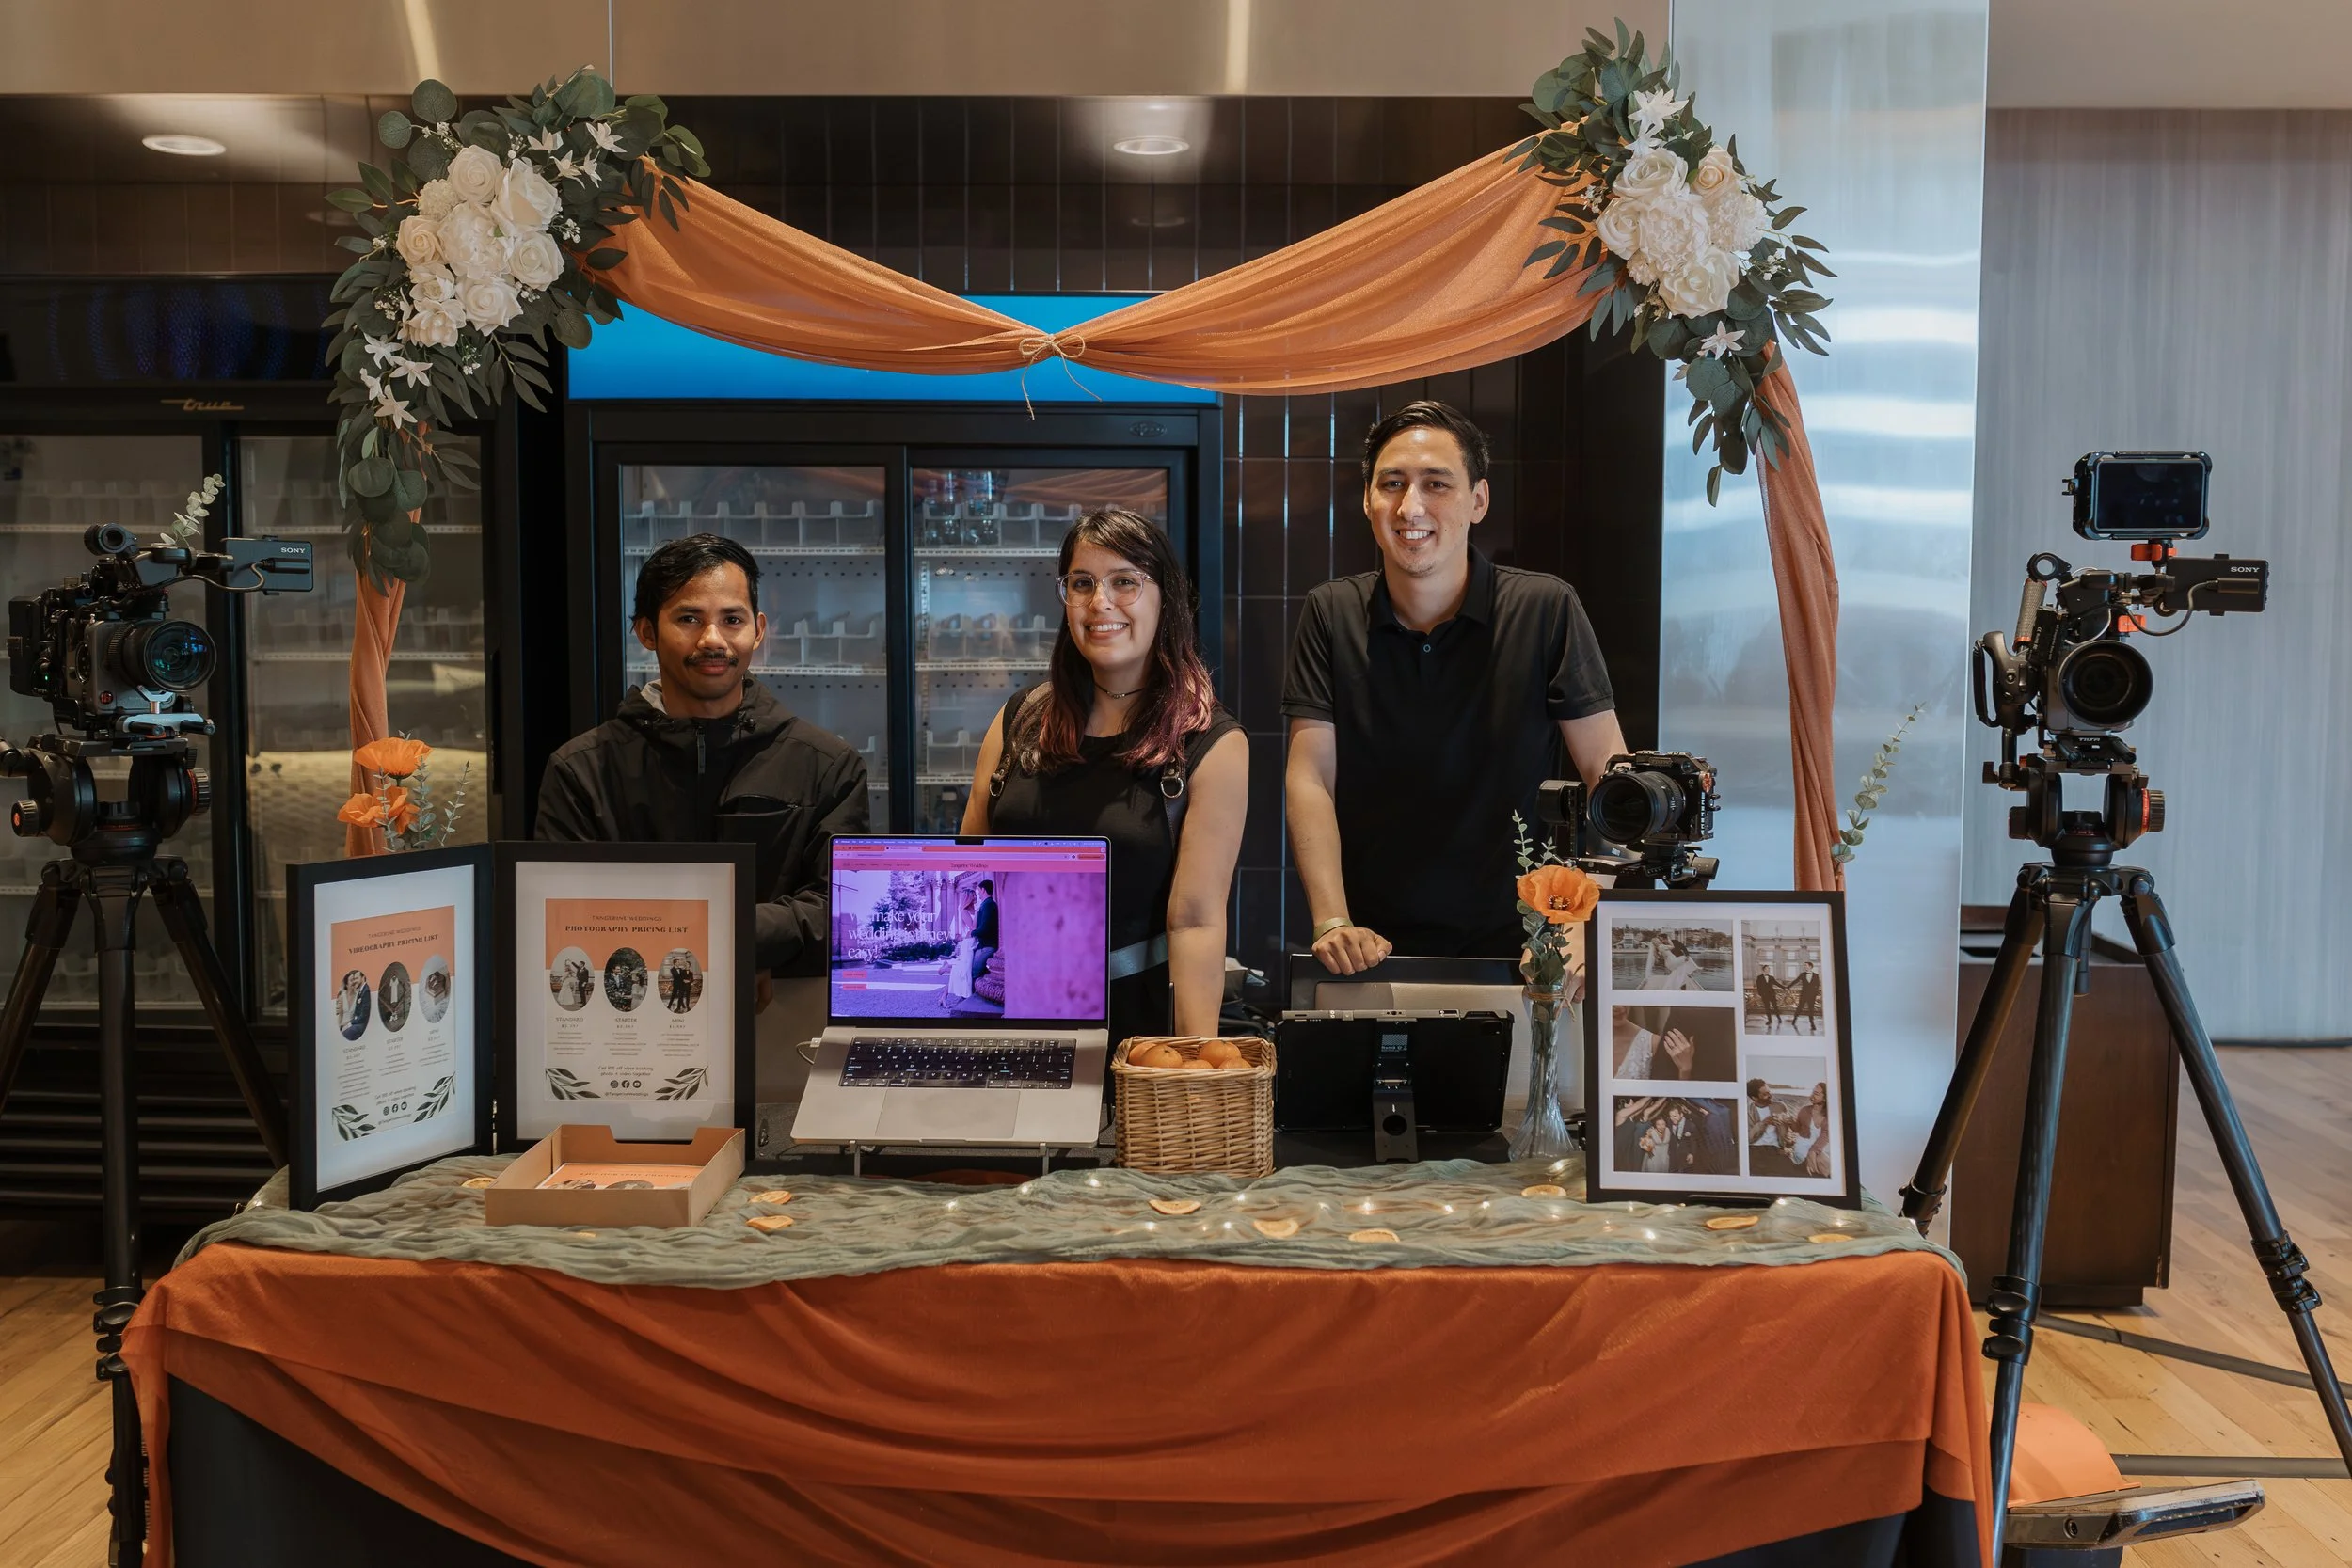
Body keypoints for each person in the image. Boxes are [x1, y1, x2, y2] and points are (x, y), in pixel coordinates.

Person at [1284, 400, 1629, 973]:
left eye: (1436, 484)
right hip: (1372, 951)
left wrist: (1583, 922)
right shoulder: (1331, 612)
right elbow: (1310, 777)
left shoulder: (1545, 607)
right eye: (1392, 483)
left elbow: (1608, 777)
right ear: (1368, 500)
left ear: (1479, 500)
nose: (1410, 506)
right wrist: (1332, 920)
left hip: (1526, 949)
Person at [963, 507, 1247, 1045]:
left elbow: (1195, 921)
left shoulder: (1208, 744)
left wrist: (1194, 1059)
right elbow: (972, 863)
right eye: (1082, 583)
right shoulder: (1018, 720)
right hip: (1005, 1016)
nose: (1100, 603)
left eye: (1125, 582)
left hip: (1132, 1037)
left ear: (1166, 598)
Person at [536, 533, 868, 979]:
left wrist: (741, 946)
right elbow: (562, 913)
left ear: (758, 629)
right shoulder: (581, 771)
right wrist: (722, 945)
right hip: (627, 1008)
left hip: (780, 1011)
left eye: (732, 619)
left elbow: (841, 907)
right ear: (647, 632)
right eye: (689, 618)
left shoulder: (828, 765)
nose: (713, 640)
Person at [969, 879, 1000, 991]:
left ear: (983, 890)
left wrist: (972, 933)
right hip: (985, 945)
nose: (978, 893)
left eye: (978, 890)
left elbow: (985, 929)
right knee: (979, 971)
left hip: (987, 946)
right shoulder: (988, 904)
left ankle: (975, 997)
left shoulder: (988, 905)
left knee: (974, 972)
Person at [947, 889, 977, 1004]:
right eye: (973, 896)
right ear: (968, 898)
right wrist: (978, 914)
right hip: (969, 942)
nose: (975, 897)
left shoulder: (976, 910)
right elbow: (973, 927)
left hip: (976, 941)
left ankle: (947, 967)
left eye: (975, 895)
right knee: (966, 970)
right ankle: (966, 995)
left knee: (967, 969)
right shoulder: (964, 911)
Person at [1795, 962, 1823, 1035]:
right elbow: (1796, 981)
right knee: (1800, 1007)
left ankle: (1812, 1024)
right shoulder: (1802, 974)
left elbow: (1817, 985)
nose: (1805, 966)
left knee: (1811, 1009)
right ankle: (1794, 1019)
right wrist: (1787, 987)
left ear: (1810, 966)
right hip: (1803, 995)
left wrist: (1815, 994)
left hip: (1811, 996)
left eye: (1806, 965)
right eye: (1804, 965)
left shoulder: (1816, 975)